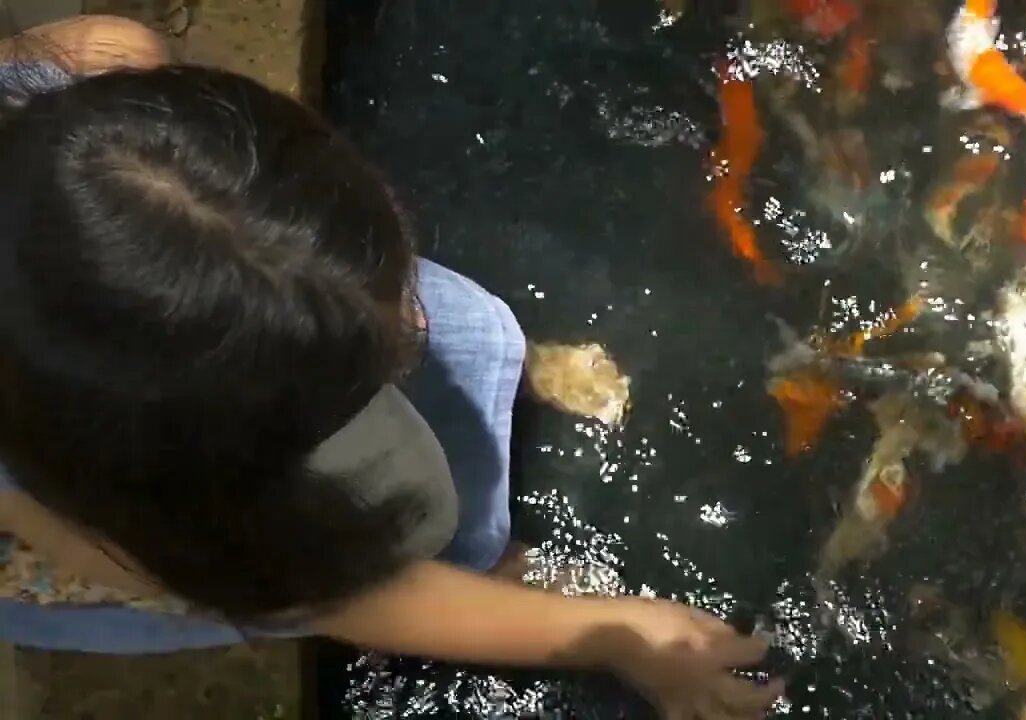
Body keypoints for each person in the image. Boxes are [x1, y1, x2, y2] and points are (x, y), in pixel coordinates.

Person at [0, 15, 783, 719]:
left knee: (474, 339)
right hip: (79, 532)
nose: (413, 322)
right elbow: (325, 594)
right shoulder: (109, 521)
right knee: (397, 519)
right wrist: (610, 636)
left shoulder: (76, 89)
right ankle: (473, 567)